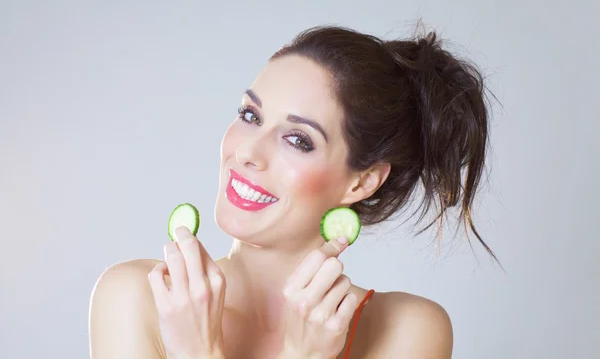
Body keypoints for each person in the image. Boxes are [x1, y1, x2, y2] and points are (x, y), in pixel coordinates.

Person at [88, 24, 498, 358]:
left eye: (298, 140)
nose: (247, 151)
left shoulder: (406, 331)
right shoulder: (135, 298)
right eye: (251, 115)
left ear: (362, 181)